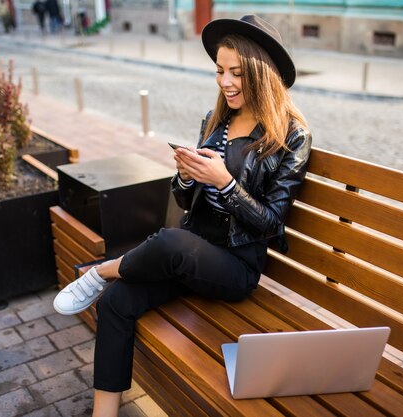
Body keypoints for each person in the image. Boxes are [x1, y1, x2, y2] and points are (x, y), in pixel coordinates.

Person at [53, 15, 312, 417]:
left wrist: (225, 182)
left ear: (261, 74)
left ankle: (101, 271)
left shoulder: (291, 135)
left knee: (170, 241)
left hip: (234, 267)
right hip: (188, 258)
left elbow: (274, 223)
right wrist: (187, 176)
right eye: (220, 71)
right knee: (116, 304)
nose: (225, 82)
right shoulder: (216, 122)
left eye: (236, 73)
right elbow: (183, 200)